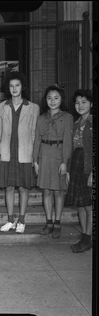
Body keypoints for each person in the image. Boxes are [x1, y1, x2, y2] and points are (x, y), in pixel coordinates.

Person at [0, 72, 40, 233]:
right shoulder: (1, 107)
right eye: (11, 86)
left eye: (17, 85)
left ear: (23, 87)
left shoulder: (33, 107)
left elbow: (34, 133)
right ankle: (10, 220)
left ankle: (21, 220)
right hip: (7, 151)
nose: (14, 89)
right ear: (8, 88)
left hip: (24, 152)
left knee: (23, 188)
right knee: (8, 187)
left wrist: (35, 157)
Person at [33, 85, 74, 239]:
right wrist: (35, 160)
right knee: (46, 191)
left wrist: (64, 162)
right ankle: (48, 222)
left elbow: (68, 141)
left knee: (58, 191)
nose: (52, 101)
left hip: (58, 156)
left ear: (61, 99)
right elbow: (37, 139)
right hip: (44, 155)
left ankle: (57, 222)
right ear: (46, 99)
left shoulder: (67, 117)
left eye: (56, 98)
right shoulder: (41, 117)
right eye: (49, 98)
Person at [65, 89, 93, 252]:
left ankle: (88, 238)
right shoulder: (75, 123)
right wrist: (68, 170)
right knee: (81, 205)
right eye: (77, 102)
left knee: (89, 205)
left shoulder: (92, 122)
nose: (80, 105)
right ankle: (84, 236)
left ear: (91, 104)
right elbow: (71, 148)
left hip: (88, 164)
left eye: (84, 102)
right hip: (76, 162)